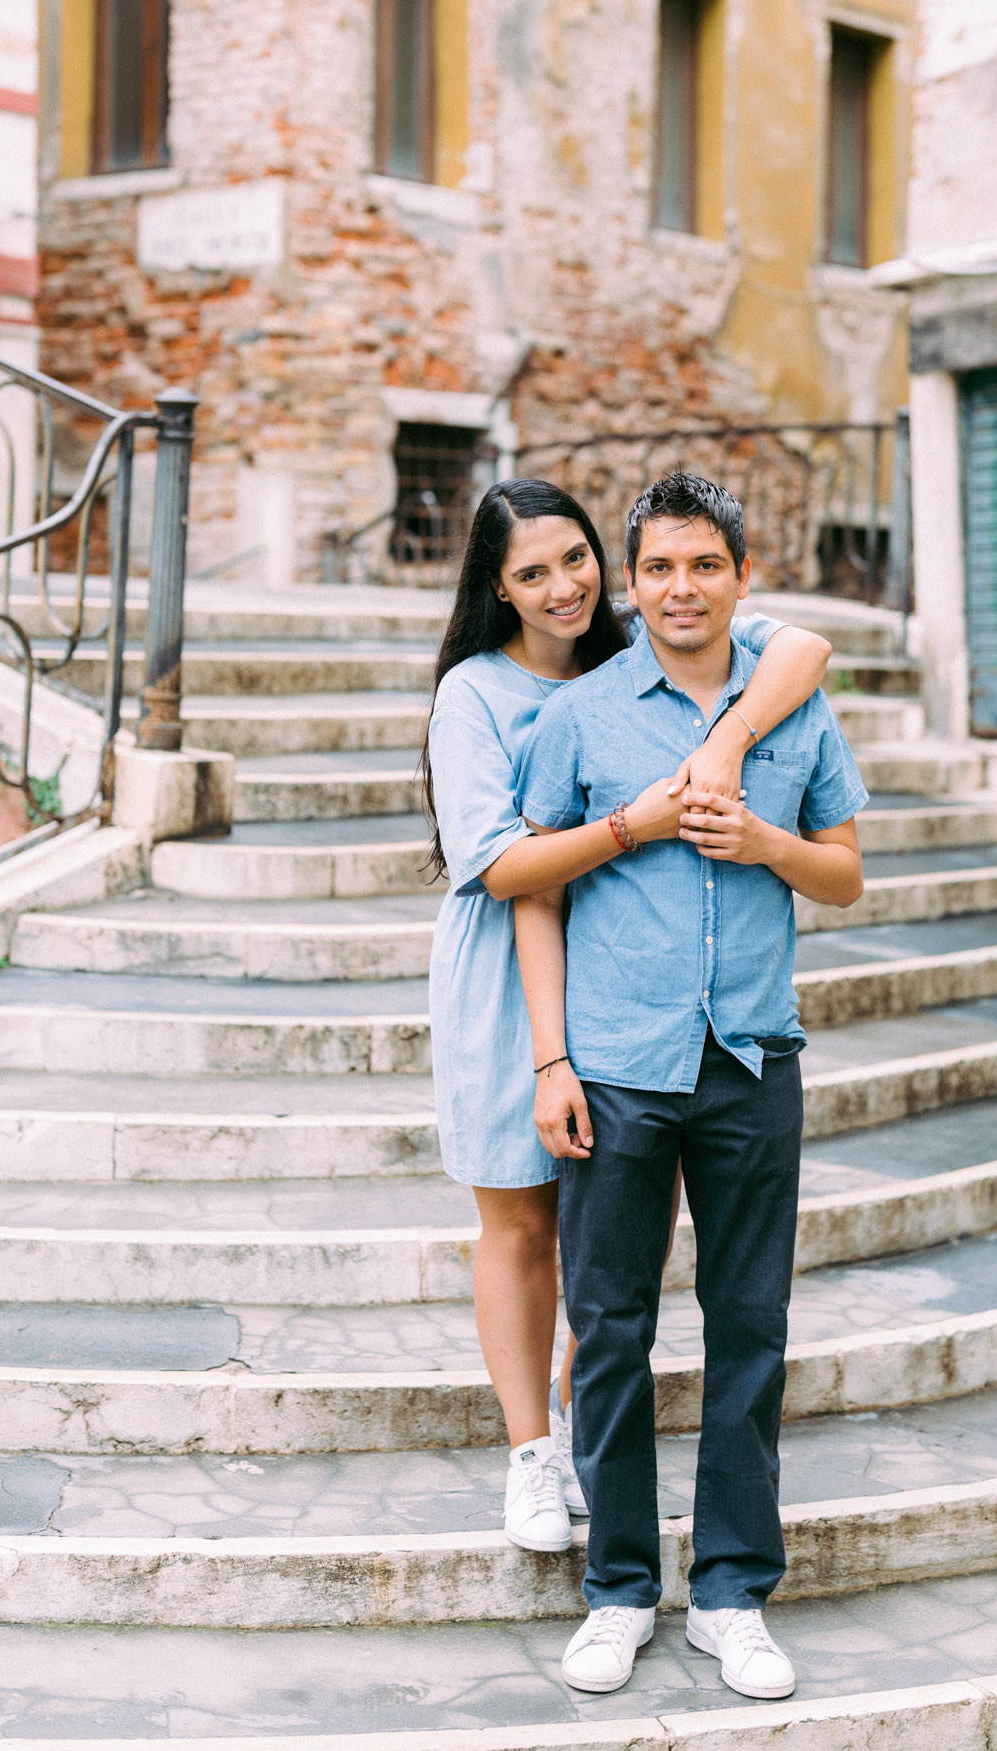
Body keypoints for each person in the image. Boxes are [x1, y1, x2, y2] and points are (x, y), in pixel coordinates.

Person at [422, 478, 834, 1555]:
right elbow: (500, 866)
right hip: (509, 957)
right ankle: (529, 1454)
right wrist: (634, 823)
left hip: (635, 978)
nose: (562, 586)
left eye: (575, 559)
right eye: (530, 573)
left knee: (608, 1258)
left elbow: (803, 650)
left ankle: (578, 1443)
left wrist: (731, 741)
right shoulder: (477, 695)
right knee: (521, 1222)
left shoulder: (645, 644)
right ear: (496, 590)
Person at [514, 471, 866, 1701]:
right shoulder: (584, 717)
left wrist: (766, 843)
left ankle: (729, 1592)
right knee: (608, 1330)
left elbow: (844, 878)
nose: (679, 589)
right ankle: (617, 1591)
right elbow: (528, 890)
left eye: (702, 565)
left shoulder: (797, 710)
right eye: (657, 567)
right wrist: (551, 1060)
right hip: (614, 1067)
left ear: (740, 575)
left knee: (751, 1328)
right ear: (630, 581)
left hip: (754, 1060)